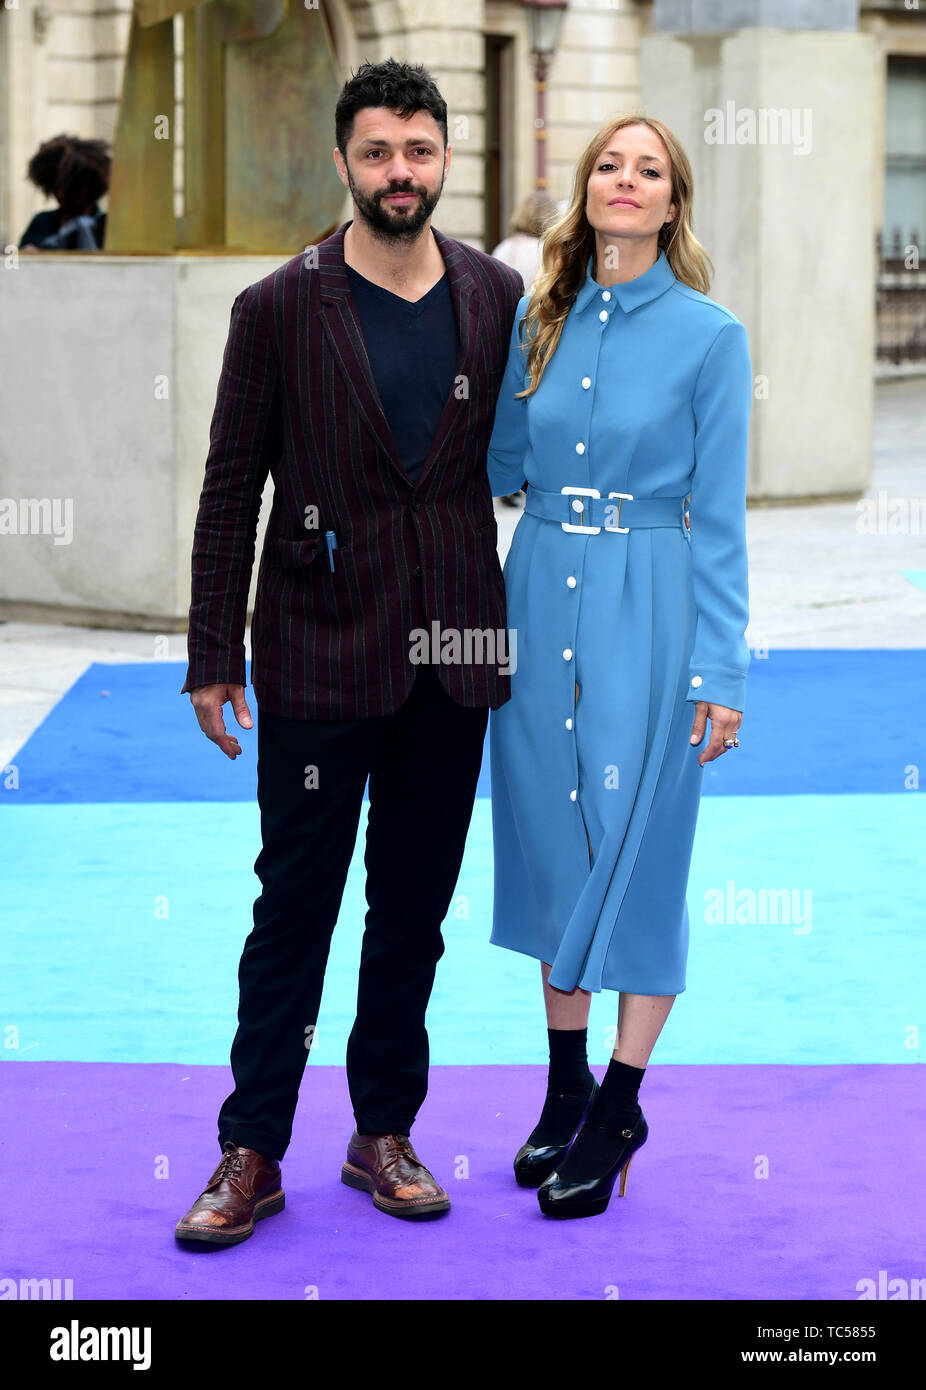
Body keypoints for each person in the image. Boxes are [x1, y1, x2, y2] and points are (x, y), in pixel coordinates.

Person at [174, 58, 523, 1245]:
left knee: (411, 911)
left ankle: (383, 1132)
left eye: (418, 152)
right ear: (343, 162)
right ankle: (251, 1147)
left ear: (442, 160)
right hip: (321, 651)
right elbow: (231, 488)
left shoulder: (494, 294)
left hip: (456, 650)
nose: (399, 173)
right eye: (377, 153)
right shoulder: (278, 305)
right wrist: (212, 648)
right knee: (295, 909)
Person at [486, 114, 751, 1219]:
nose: (624, 180)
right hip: (537, 580)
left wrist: (719, 670)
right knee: (551, 837)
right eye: (607, 164)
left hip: (652, 598)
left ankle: (619, 1103)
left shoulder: (710, 335)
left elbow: (722, 515)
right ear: (584, 190)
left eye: (647, 169)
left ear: (672, 199)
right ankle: (562, 1085)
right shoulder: (534, 319)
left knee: (637, 844)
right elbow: (498, 460)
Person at [490, 192, 558, 509]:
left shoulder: (503, 248)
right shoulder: (543, 250)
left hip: (498, 336)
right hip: (532, 334)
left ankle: (505, 480)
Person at [18, 134, 110, 251]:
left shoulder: (105, 225)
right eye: (56, 187)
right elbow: (18, 261)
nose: (61, 194)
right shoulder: (42, 222)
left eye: (71, 188)